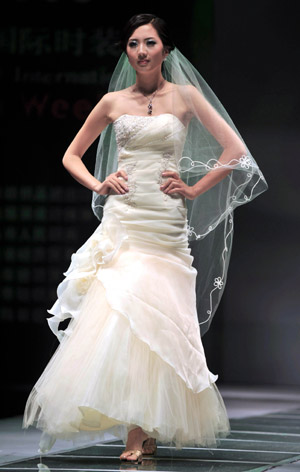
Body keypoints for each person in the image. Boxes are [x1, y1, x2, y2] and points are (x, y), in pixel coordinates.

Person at [22, 13, 267, 464]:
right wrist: (98, 184)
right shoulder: (113, 102)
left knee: (159, 320)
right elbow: (71, 155)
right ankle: (135, 432)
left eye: (149, 42)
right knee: (125, 314)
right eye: (133, 43)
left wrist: (193, 189)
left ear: (166, 51)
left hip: (166, 223)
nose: (141, 51)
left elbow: (235, 150)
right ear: (127, 51)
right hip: (126, 220)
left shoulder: (186, 96)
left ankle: (147, 427)